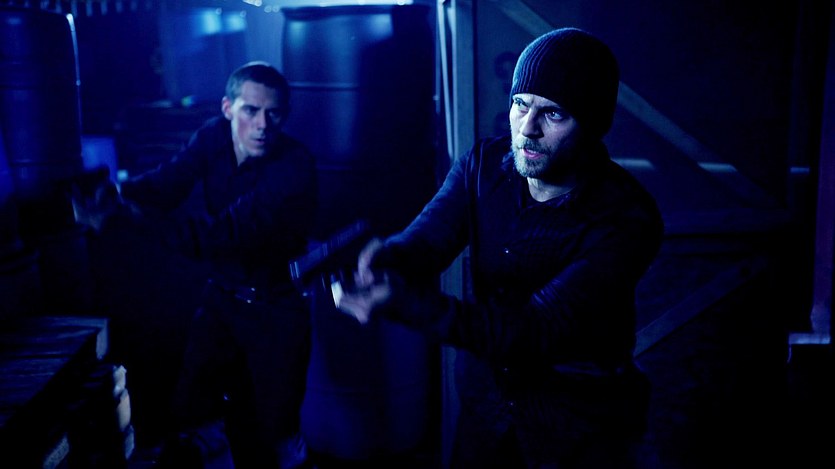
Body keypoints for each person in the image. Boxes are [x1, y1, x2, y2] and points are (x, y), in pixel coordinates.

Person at [334, 28, 664, 468]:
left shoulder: (626, 219)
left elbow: (534, 331)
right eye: (520, 104)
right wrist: (386, 258)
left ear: (592, 124)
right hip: (486, 408)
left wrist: (407, 303)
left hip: (578, 424)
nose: (527, 128)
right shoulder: (482, 166)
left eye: (553, 113)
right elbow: (428, 241)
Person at [75, 61, 317, 468]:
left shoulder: (294, 166)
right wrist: (116, 193)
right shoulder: (212, 137)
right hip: (222, 299)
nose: (262, 125)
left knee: (274, 432)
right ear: (228, 108)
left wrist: (124, 217)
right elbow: (166, 184)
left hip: (275, 310)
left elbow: (222, 235)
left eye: (273, 113)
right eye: (251, 110)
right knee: (189, 410)